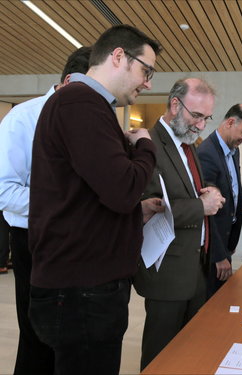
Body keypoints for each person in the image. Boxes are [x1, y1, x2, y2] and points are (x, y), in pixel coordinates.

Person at [28, 25, 163, 374]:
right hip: (82, 290)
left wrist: (136, 211)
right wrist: (145, 145)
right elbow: (122, 189)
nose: (148, 83)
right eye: (145, 70)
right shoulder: (80, 103)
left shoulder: (87, 105)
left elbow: (92, 194)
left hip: (85, 285)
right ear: (118, 56)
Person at [0, 46, 92, 374]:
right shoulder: (22, 118)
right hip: (33, 240)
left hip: (77, 243)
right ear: (70, 81)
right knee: (37, 336)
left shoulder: (87, 121)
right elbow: (5, 191)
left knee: (69, 336)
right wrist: (67, 205)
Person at [133, 77, 225, 370]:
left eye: (206, 118)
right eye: (196, 116)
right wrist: (201, 206)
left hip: (195, 265)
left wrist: (209, 191)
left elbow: (185, 187)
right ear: (175, 104)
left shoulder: (188, 144)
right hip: (167, 270)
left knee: (189, 350)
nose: (201, 125)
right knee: (160, 356)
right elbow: (151, 202)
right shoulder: (147, 144)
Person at [197, 104, 242, 296]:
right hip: (213, 250)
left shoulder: (234, 149)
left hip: (225, 242)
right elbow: (208, 213)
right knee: (213, 305)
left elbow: (233, 195)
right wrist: (218, 256)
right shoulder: (207, 153)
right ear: (230, 122)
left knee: (225, 297)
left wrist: (230, 246)